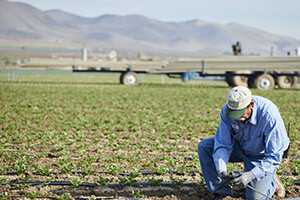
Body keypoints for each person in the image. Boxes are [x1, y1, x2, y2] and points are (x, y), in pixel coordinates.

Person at [198, 86, 289, 199]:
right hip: (240, 146)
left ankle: (272, 182)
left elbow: (274, 157)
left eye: (240, 113)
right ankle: (222, 192)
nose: (236, 118)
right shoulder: (227, 111)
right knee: (205, 147)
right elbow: (223, 144)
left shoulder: (269, 115)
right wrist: (221, 169)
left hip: (260, 156)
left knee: (255, 198)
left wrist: (251, 175)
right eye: (234, 114)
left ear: (251, 104)